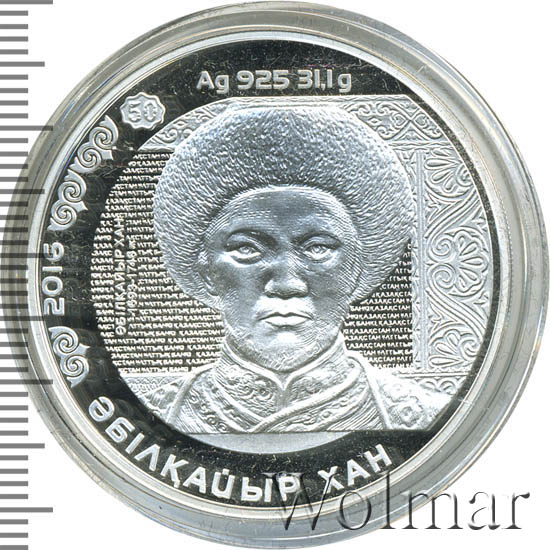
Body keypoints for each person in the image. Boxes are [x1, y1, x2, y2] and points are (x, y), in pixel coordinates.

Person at [129, 105, 450, 433]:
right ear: (205, 270)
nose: (285, 284)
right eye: (246, 249)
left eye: (318, 248)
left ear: (357, 268)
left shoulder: (425, 419)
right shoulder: (153, 418)